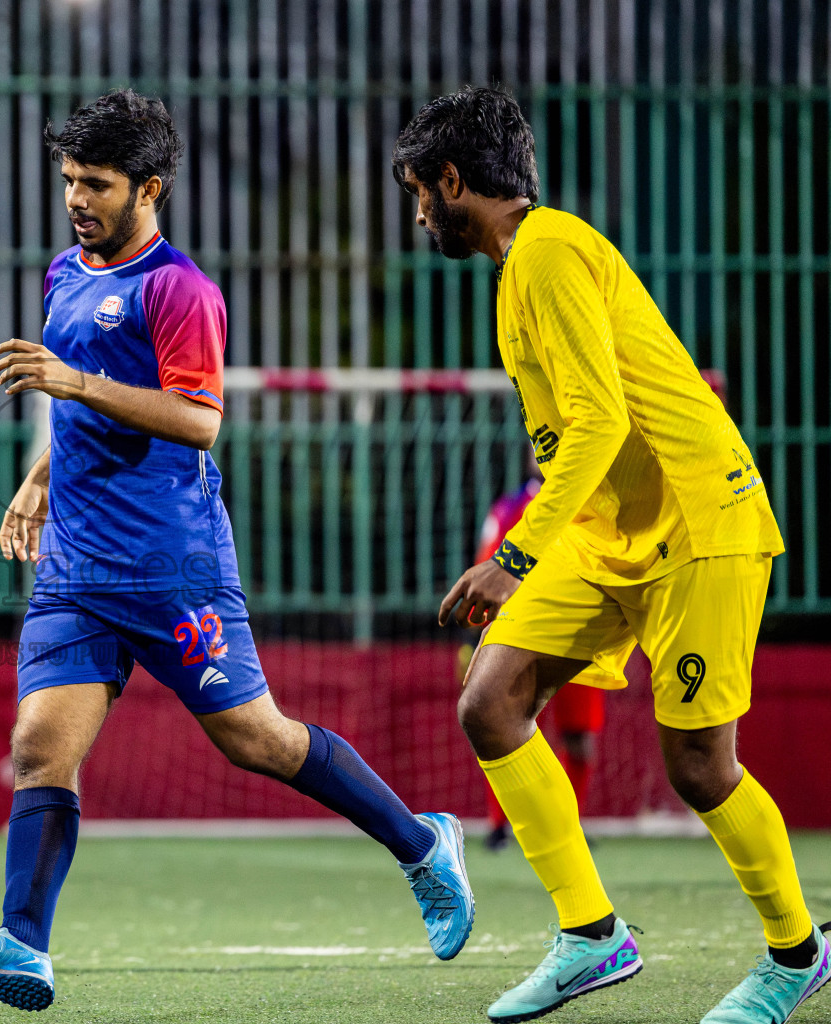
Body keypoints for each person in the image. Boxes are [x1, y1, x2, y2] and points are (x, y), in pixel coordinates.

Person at [0, 89, 474, 1012]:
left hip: (174, 566)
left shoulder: (181, 291)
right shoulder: (64, 273)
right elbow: (83, 406)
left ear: (150, 188)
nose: (76, 200)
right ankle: (21, 946)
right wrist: (41, 477)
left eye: (95, 184)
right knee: (41, 747)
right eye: (67, 181)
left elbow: (201, 422)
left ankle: (421, 843)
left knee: (258, 740)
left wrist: (75, 382)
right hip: (78, 572)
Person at [395, 86, 827, 1023]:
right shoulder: (523, 268)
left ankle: (798, 955)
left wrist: (510, 560)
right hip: (608, 534)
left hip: (698, 521)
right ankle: (592, 938)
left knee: (700, 766)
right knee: (491, 702)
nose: (420, 213)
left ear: (456, 180)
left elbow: (601, 421)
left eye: (421, 192)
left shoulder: (546, 253)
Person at [464, 467, 606, 854]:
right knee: (505, 727)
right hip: (522, 633)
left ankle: (567, 825)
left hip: (583, 631)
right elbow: (486, 563)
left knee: (581, 740)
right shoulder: (510, 507)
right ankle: (500, 827)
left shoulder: (598, 500)